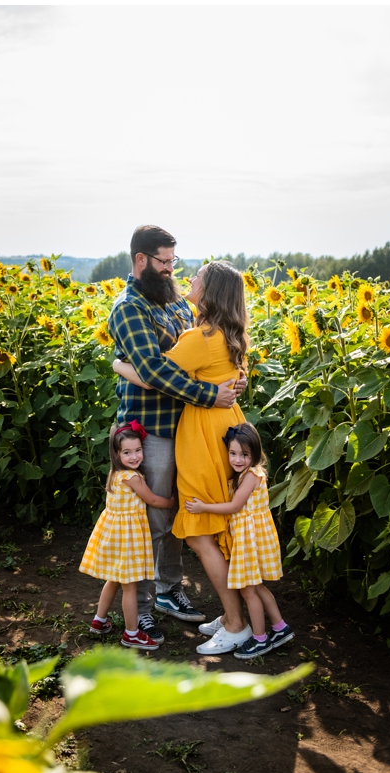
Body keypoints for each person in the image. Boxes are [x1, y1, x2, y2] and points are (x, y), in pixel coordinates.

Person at [106, 225, 246, 643]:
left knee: (173, 516)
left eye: (173, 262)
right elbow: (153, 371)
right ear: (140, 260)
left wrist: (231, 384)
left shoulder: (174, 305)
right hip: (151, 430)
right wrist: (212, 395)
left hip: (187, 429)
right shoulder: (129, 308)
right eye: (163, 262)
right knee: (151, 519)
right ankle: (144, 609)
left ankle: (168, 590)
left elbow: (206, 351)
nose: (170, 270)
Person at [184, 423, 294, 659]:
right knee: (257, 588)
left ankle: (260, 639)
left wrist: (203, 507)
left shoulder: (252, 476)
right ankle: (280, 627)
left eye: (244, 454)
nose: (237, 459)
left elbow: (235, 506)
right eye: (232, 453)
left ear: (255, 453)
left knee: (248, 592)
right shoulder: (248, 474)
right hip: (252, 539)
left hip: (249, 541)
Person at [81, 422, 178, 650]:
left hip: (114, 536)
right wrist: (173, 502)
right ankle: (132, 633)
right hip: (128, 540)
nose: (135, 456)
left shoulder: (115, 474)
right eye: (127, 452)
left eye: (138, 450)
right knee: (131, 587)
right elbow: (153, 500)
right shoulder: (132, 478)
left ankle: (99, 620)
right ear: (116, 453)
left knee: (113, 580)